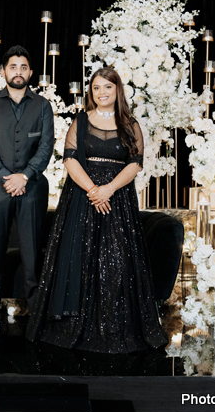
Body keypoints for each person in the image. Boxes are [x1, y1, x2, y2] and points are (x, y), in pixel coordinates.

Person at [26, 66, 168, 353]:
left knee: (118, 263)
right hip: (82, 199)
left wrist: (109, 189)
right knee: (78, 258)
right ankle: (73, 324)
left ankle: (116, 325)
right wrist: (94, 190)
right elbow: (70, 160)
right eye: (96, 88)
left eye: (107, 87)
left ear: (117, 90)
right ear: (91, 93)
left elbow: (135, 163)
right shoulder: (80, 121)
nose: (101, 92)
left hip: (118, 201)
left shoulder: (131, 124)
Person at [0, 45, 55, 337]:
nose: (18, 71)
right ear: (3, 71)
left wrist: (26, 176)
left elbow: (46, 146)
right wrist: (7, 176)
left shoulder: (43, 106)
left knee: (32, 253)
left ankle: (36, 313)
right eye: (13, 67)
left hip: (32, 187)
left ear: (30, 73)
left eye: (23, 67)